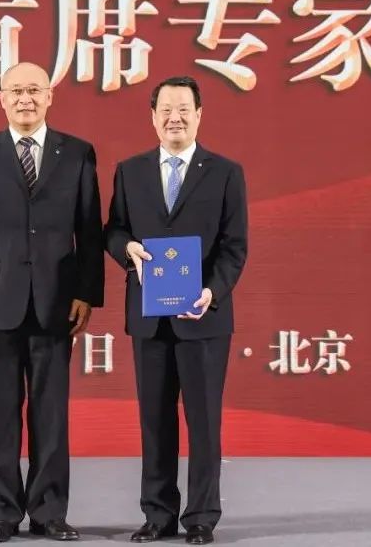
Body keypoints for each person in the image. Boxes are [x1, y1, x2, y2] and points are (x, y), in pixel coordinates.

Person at [0, 62, 104, 543]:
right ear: (1, 98)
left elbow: (89, 230)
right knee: (0, 413)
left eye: (34, 90)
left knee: (50, 414)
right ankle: (1, 513)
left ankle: (49, 512)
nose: (25, 99)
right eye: (15, 91)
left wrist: (86, 293)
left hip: (57, 302)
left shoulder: (77, 153)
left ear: (50, 96)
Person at [104, 76, 248, 545]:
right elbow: (114, 230)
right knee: (154, 420)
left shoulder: (225, 172)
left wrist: (212, 291)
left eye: (184, 109)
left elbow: (234, 246)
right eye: (165, 109)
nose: (175, 118)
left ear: (199, 114)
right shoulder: (130, 171)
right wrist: (127, 249)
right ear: (152, 117)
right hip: (149, 316)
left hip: (203, 317)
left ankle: (202, 516)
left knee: (203, 422)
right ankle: (158, 514)